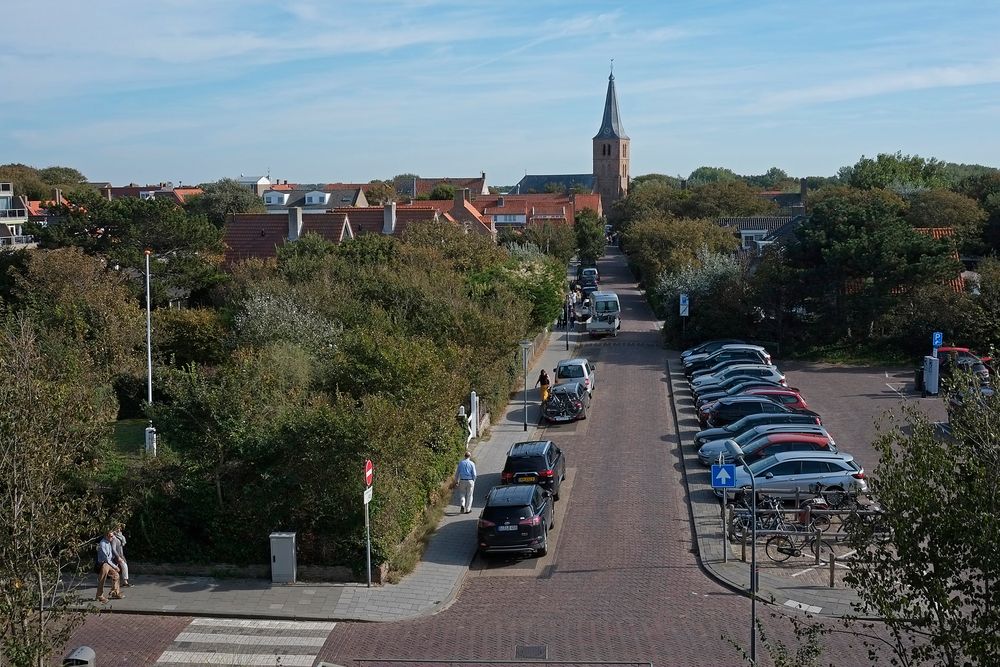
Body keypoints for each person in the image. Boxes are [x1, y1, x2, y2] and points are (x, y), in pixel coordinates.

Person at [96, 529, 124, 603]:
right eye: (111, 536)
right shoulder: (102, 544)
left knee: (116, 575)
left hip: (108, 563)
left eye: (113, 536)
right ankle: (99, 595)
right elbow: (106, 559)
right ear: (106, 536)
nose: (113, 537)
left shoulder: (108, 542)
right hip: (103, 564)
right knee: (102, 579)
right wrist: (115, 566)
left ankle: (115, 592)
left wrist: (117, 560)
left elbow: (110, 557)